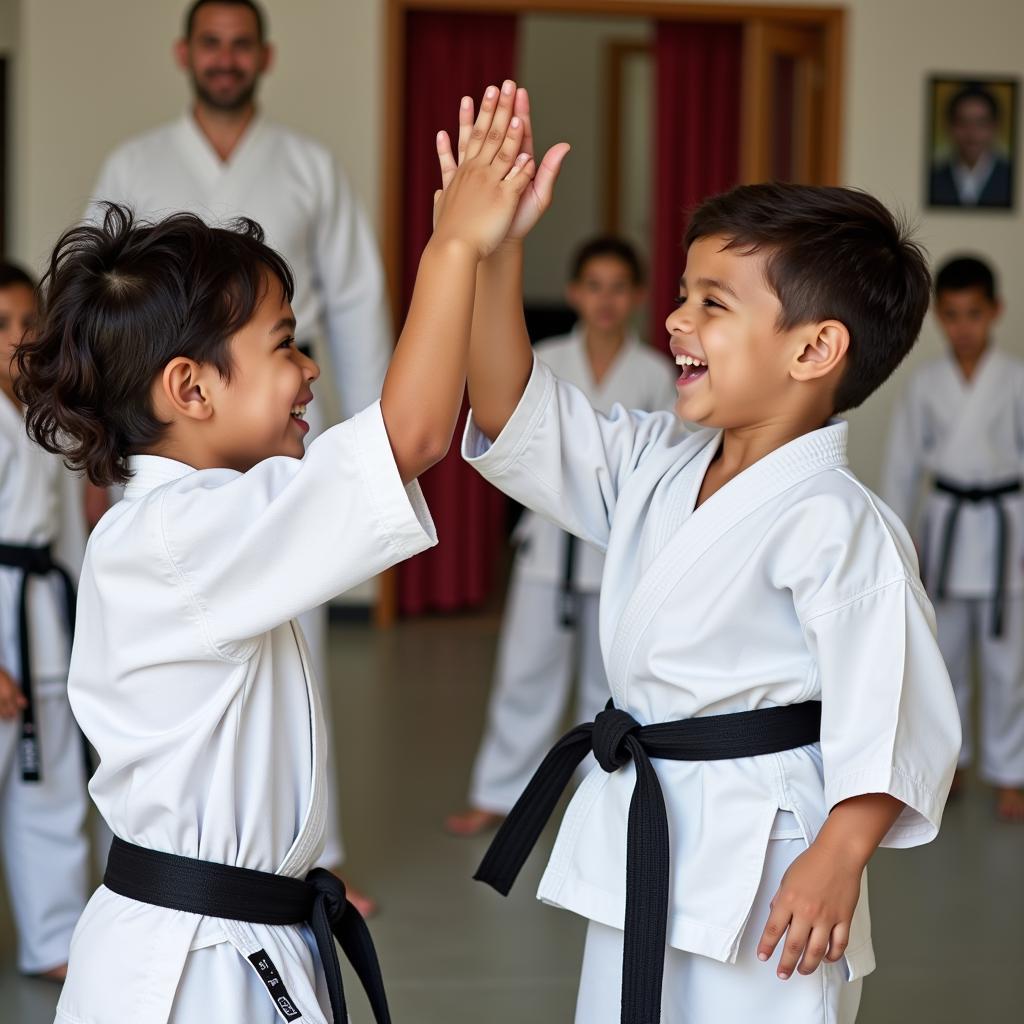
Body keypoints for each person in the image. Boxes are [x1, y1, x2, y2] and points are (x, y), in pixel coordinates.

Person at [21, 82, 537, 1024]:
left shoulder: (199, 517)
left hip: (229, 937)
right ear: (191, 387)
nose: (310, 373)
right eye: (285, 347)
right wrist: (455, 244)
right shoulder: (185, 533)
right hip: (195, 972)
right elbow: (412, 434)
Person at [443, 89, 961, 1023]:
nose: (676, 321)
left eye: (711, 303)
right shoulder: (654, 461)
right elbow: (508, 405)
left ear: (814, 348)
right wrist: (493, 248)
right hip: (649, 827)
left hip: (773, 865)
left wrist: (840, 857)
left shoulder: (839, 523)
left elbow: (893, 714)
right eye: (682, 295)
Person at [88, 0, 390, 901]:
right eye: (210, 43)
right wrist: (108, 461)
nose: (225, 59)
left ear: (265, 55)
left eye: (239, 44)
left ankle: (309, 847)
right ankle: (174, 844)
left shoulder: (308, 167)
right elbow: (104, 317)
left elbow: (359, 301)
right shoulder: (133, 163)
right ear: (187, 53)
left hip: (280, 440)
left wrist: (359, 436)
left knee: (285, 632)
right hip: (173, 443)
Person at [446, 236, 677, 837]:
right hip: (546, 547)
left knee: (612, 682)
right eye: (593, 286)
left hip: (618, 551)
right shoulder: (541, 358)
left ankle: (608, 793)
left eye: (618, 287)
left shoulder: (657, 373)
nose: (605, 300)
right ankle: (499, 794)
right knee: (525, 672)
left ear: (638, 297)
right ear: (576, 292)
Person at [883, 256, 1024, 822]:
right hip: (945, 524)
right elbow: (900, 465)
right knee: (944, 660)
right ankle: (952, 764)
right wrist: (897, 534)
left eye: (974, 314)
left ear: (995, 313)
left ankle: (1010, 771)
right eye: (952, 315)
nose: (964, 326)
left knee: (1007, 664)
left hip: (1005, 530)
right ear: (938, 318)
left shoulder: (1015, 379)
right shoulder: (924, 384)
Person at [0, 263, 91, 983]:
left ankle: (55, 937)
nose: (18, 339)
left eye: (29, 324)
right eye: (1, 326)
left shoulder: (48, 418)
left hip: (45, 617)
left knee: (52, 779)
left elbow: (68, 539)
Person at [929, 84, 1013, 207]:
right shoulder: (935, 178)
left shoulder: (1009, 176)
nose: (972, 133)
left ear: (995, 127)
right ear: (949, 127)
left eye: (981, 123)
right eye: (963, 123)